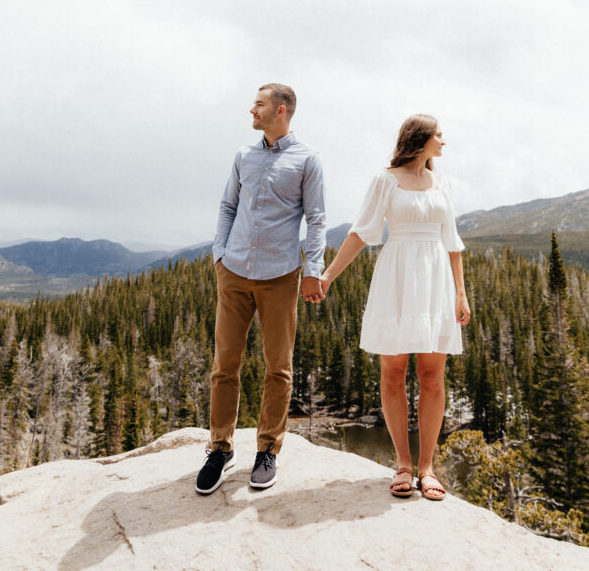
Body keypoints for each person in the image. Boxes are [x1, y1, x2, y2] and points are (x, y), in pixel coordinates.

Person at [320, 114, 470, 501]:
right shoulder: (385, 180)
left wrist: (461, 292)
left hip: (436, 277)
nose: (444, 141)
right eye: (439, 135)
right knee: (393, 371)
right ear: (420, 139)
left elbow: (452, 242)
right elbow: (361, 232)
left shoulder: (444, 184)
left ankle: (427, 467)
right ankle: (403, 463)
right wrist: (328, 275)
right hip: (397, 275)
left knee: (432, 374)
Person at [196, 83, 326, 495]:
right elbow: (227, 206)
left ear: (281, 110)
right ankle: (219, 448)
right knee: (224, 365)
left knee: (278, 368)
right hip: (233, 271)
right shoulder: (243, 155)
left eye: (259, 104)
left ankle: (267, 450)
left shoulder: (307, 159)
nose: (251, 110)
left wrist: (313, 270)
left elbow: (317, 219)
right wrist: (220, 255)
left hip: (280, 276)